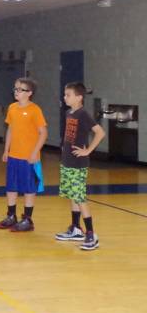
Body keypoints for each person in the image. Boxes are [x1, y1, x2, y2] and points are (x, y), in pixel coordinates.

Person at [54, 82, 105, 250]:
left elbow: (100, 132)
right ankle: (76, 228)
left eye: (68, 95)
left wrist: (88, 150)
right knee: (72, 196)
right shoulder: (70, 113)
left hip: (78, 164)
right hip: (67, 161)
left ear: (79, 97)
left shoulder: (83, 114)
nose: (65, 97)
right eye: (64, 94)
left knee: (80, 197)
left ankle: (91, 234)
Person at [0, 78, 48, 232]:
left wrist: (34, 153)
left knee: (28, 188)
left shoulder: (35, 110)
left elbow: (43, 133)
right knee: (11, 187)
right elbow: (10, 129)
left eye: (20, 89)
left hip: (29, 158)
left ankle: (27, 219)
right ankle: (11, 216)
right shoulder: (12, 108)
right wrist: (6, 150)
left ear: (29, 93)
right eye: (15, 88)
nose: (16, 92)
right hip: (14, 155)